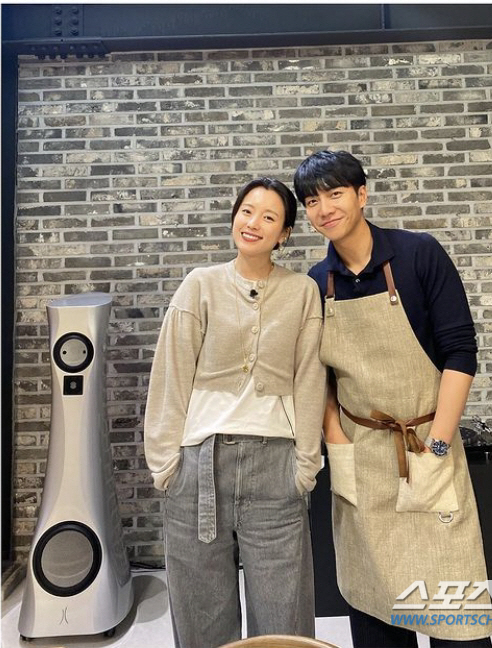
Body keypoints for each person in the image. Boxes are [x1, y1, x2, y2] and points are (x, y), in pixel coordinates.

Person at [294, 151, 492, 648]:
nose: (324, 209)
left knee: (456, 611)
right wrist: (337, 442)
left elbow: (460, 352)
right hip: (361, 457)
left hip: (426, 443)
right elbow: (319, 378)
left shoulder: (419, 254)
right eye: (312, 201)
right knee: (376, 604)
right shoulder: (317, 283)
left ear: (362, 194)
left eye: (335, 193)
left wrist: (439, 447)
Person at [144, 177, 326, 648]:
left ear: (284, 234)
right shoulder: (199, 285)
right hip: (199, 467)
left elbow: (310, 379)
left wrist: (306, 466)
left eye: (269, 217)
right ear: (234, 216)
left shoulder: (302, 292)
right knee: (202, 623)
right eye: (247, 211)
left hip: (276, 468)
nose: (254, 223)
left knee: (284, 623)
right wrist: (165, 465)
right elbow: (170, 376)